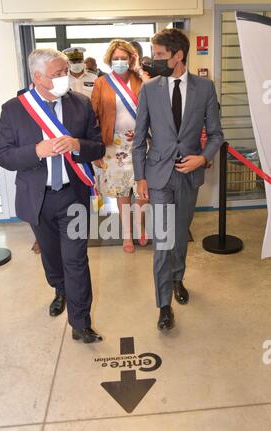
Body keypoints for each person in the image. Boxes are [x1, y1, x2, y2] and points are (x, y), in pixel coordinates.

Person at [0, 48, 105, 344]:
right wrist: (36, 151)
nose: (63, 79)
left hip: (73, 196)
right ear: (38, 77)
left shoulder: (80, 104)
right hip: (38, 198)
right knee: (53, 258)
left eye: (64, 73)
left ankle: (81, 323)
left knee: (76, 260)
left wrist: (77, 145)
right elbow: (3, 156)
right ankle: (59, 289)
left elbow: (98, 148)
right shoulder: (14, 109)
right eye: (56, 75)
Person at [132, 29, 223, 330]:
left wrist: (203, 157)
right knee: (162, 241)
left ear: (178, 55)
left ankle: (177, 279)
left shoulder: (205, 88)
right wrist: (140, 176)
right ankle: (163, 306)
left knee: (180, 234)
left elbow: (216, 134)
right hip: (158, 175)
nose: (154, 60)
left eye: (159, 55)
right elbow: (139, 139)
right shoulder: (149, 89)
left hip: (189, 175)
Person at [91, 39, 148, 253]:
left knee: (142, 191)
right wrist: (96, 148)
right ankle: (127, 235)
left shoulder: (141, 80)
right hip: (113, 145)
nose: (120, 62)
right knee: (122, 192)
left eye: (124, 58)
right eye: (116, 59)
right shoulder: (102, 83)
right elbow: (93, 116)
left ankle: (140, 227)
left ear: (132, 59)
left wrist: (142, 73)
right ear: (109, 60)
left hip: (142, 143)